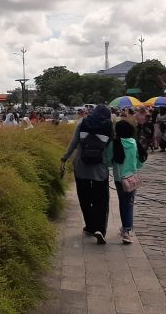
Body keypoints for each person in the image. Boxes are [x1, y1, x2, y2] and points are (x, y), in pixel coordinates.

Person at [60, 104, 113, 245]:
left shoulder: (82, 122)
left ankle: (90, 226)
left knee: (84, 197)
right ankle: (100, 229)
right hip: (100, 169)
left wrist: (64, 158)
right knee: (101, 200)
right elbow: (111, 147)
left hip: (81, 166)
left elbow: (73, 142)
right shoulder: (109, 125)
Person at [107, 120, 145, 244]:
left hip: (120, 179)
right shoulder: (134, 142)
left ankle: (126, 231)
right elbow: (140, 161)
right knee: (129, 203)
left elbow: (107, 161)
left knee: (124, 203)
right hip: (132, 178)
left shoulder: (114, 143)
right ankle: (126, 229)